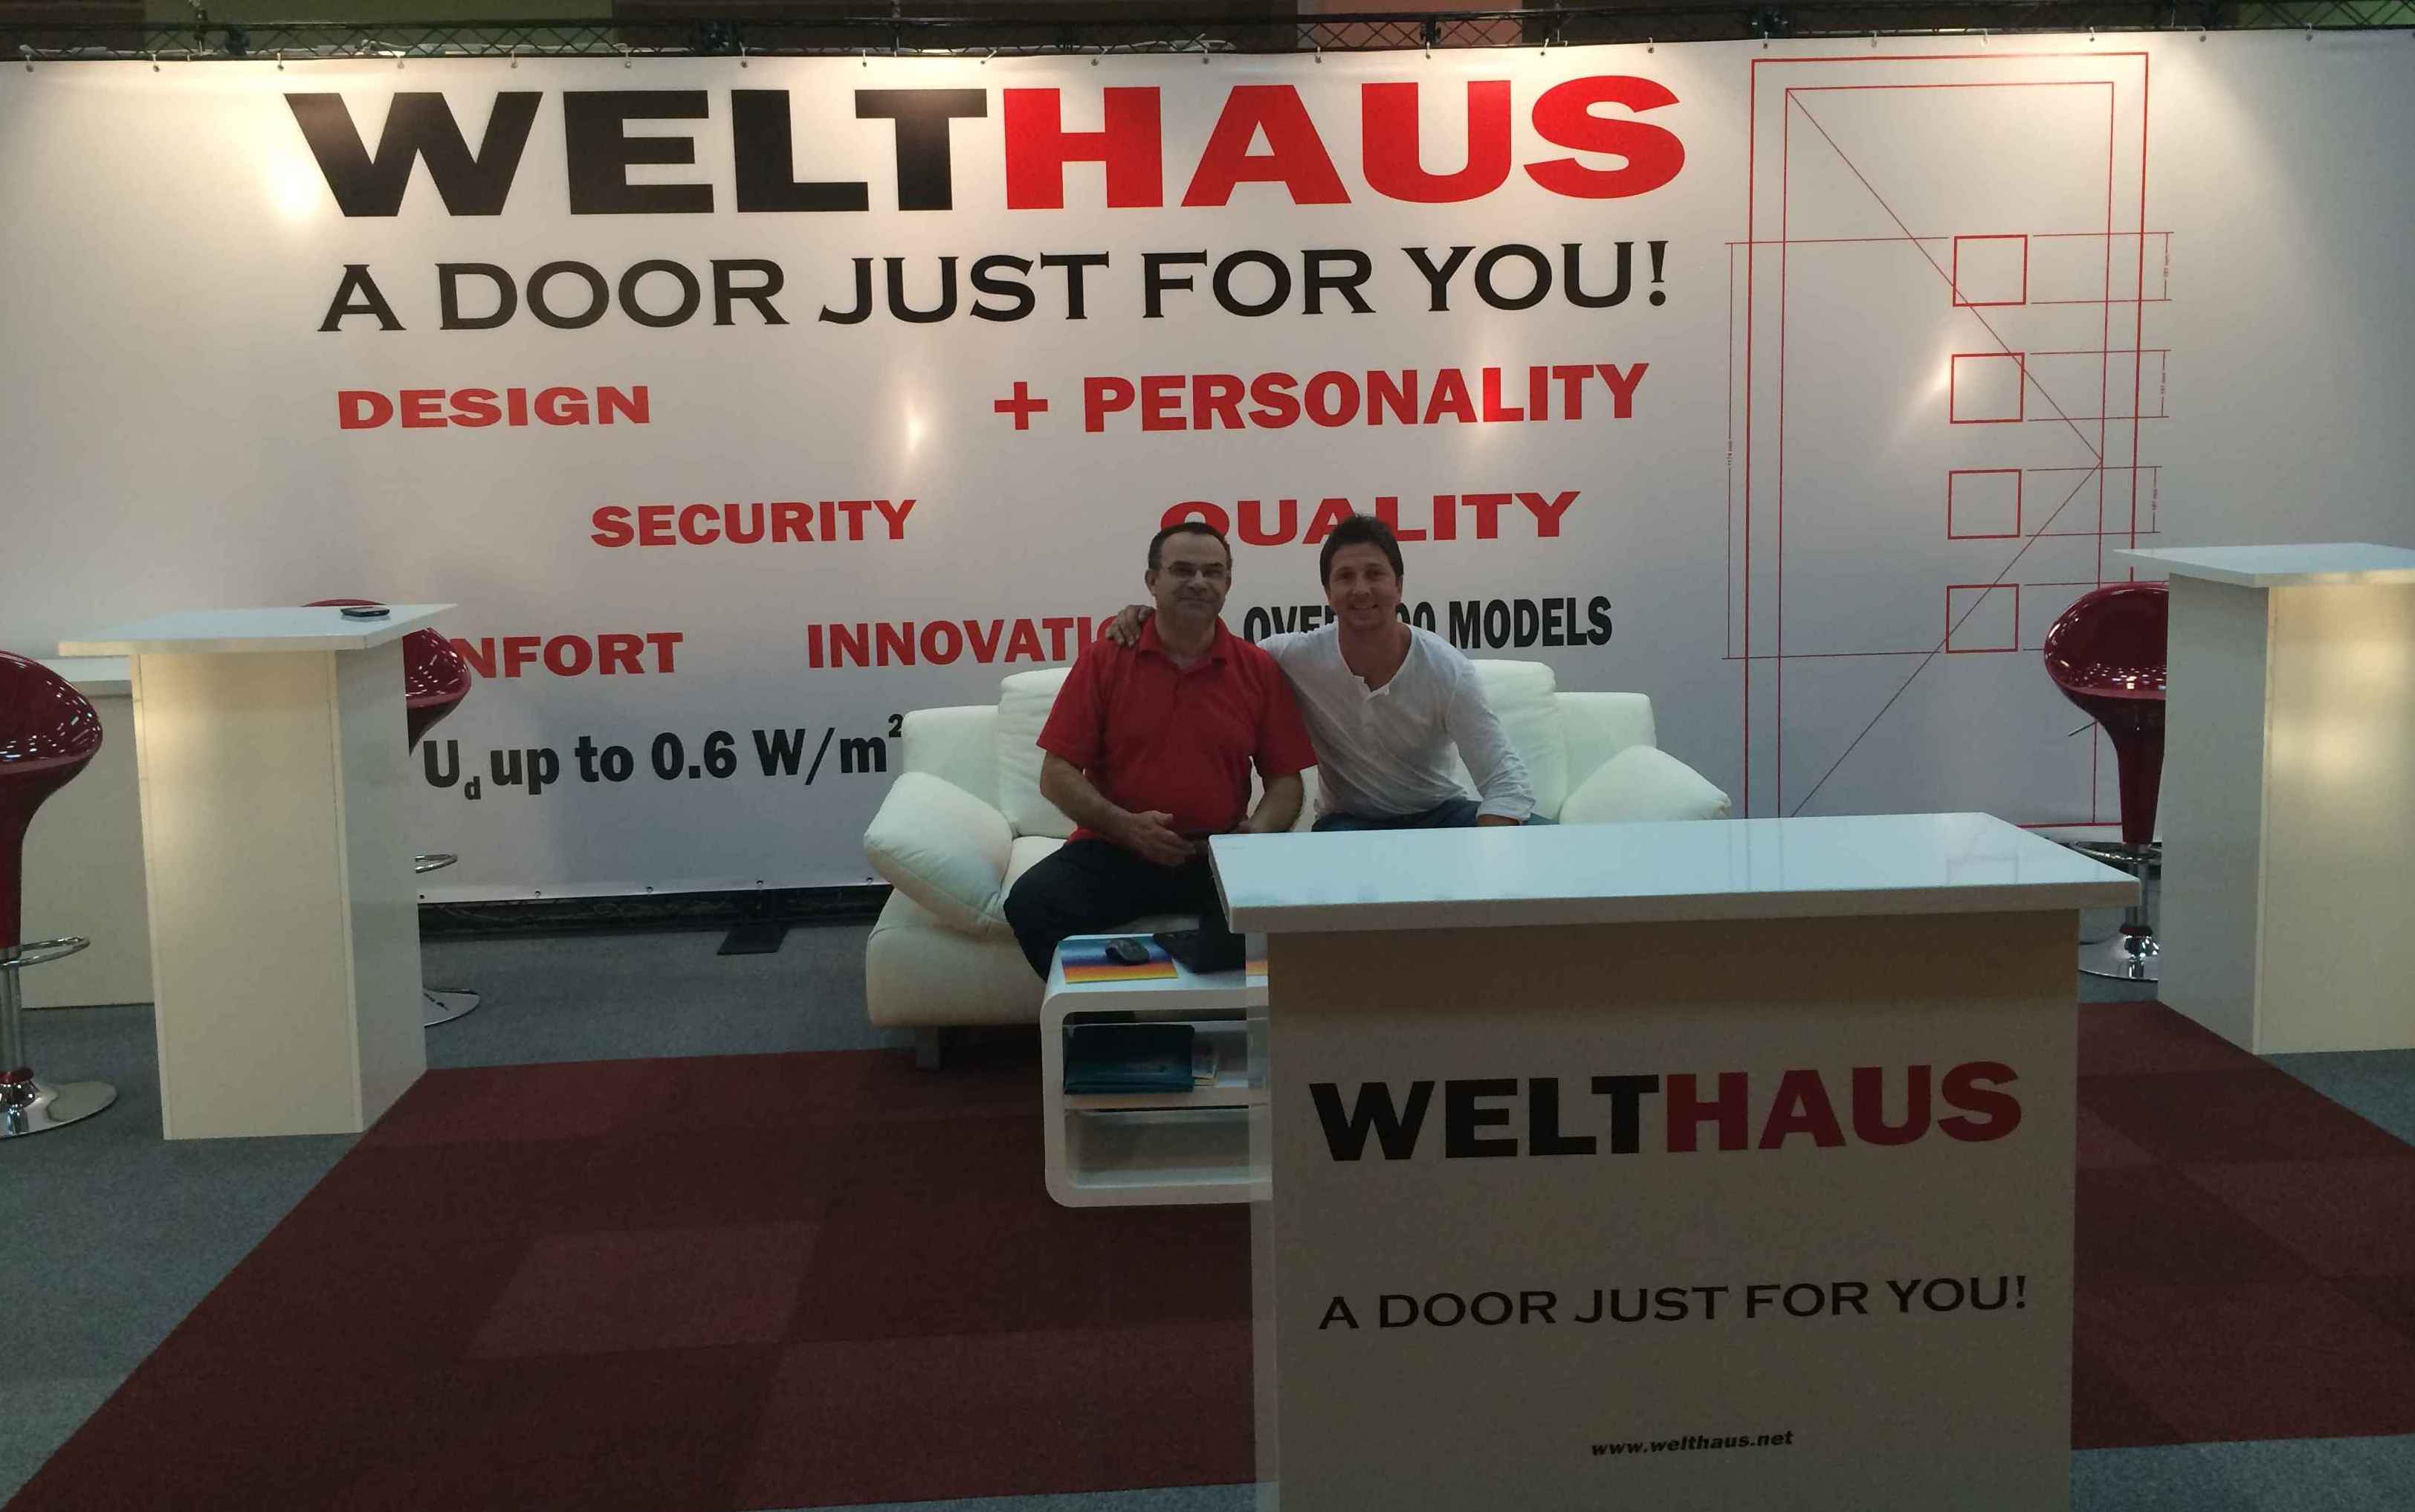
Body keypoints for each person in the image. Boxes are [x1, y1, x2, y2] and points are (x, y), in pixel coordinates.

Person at [1003, 520, 1317, 978]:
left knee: (1286, 917)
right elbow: (1056, 774)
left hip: (1217, 856)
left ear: (1228, 583)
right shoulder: (1105, 659)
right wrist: (1127, 827)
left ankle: (1224, 1019)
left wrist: (1256, 835)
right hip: (1115, 849)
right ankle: (1113, 1021)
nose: (1199, 582)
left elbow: (1286, 783)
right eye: (1182, 570)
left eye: (1213, 572)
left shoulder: (1257, 669)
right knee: (1032, 902)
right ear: (1152, 581)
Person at [1108, 514, 1535, 830]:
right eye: (1345, 577)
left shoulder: (1447, 669)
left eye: (1375, 574)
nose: (1361, 589)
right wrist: (1151, 617)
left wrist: (1484, 859)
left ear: (1399, 587)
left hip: (1440, 815)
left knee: (1546, 840)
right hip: (1348, 824)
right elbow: (1215, 651)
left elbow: (1506, 779)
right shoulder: (1294, 657)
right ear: (1329, 593)